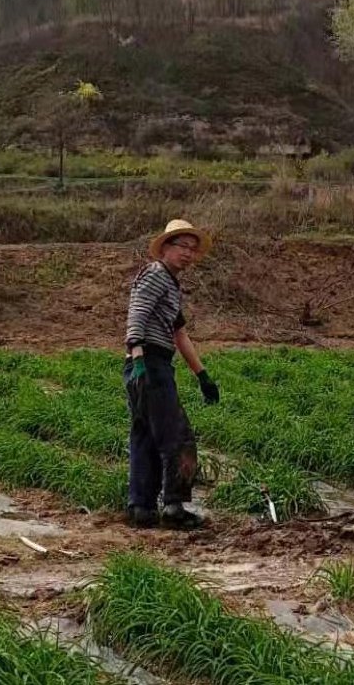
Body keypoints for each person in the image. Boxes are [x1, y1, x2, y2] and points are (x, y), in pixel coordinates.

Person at [124, 219, 220, 530]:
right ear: (165, 248)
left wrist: (202, 374)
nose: (188, 254)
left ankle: (141, 507)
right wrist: (139, 359)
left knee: (146, 436)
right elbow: (136, 312)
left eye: (193, 250)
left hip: (153, 362)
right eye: (182, 247)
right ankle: (174, 506)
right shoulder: (155, 274)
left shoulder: (170, 284)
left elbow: (179, 334)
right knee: (176, 436)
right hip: (148, 363)